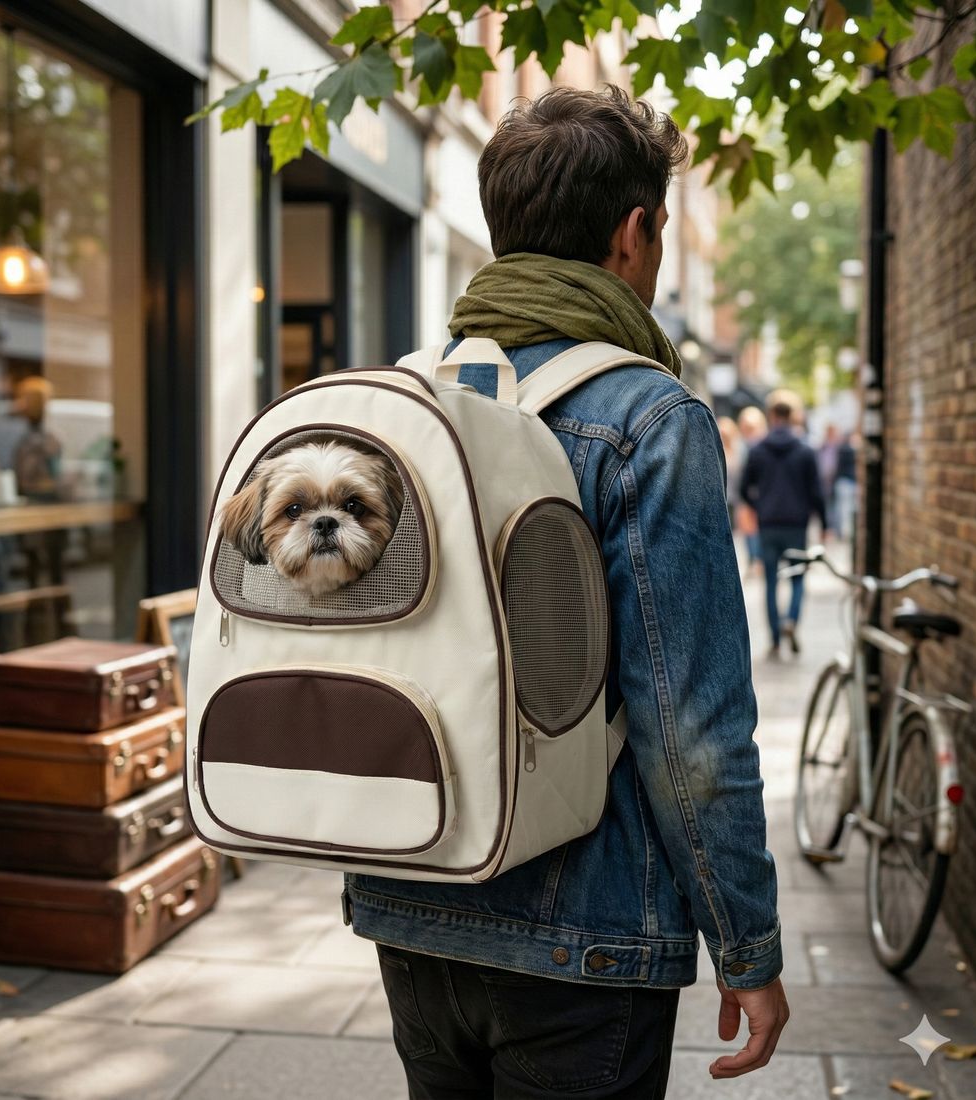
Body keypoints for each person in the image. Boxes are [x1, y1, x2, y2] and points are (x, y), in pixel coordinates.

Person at [345, 87, 787, 1099]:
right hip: (583, 925)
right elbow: (689, 726)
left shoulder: (406, 394)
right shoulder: (648, 416)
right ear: (633, 234)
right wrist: (746, 945)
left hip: (412, 888)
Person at [740, 399, 829, 657]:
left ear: (771, 416)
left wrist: (760, 506)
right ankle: (791, 619)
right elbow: (817, 492)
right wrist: (823, 523)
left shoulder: (757, 450)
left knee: (770, 581)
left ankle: (776, 640)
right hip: (796, 524)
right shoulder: (804, 450)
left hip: (768, 525)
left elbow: (744, 488)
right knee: (798, 577)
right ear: (791, 418)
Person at [735, 405, 767, 570]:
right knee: (748, 529)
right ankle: (753, 560)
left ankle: (758, 559)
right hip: (745, 494)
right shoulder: (740, 445)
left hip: (760, 495)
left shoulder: (762, 445)